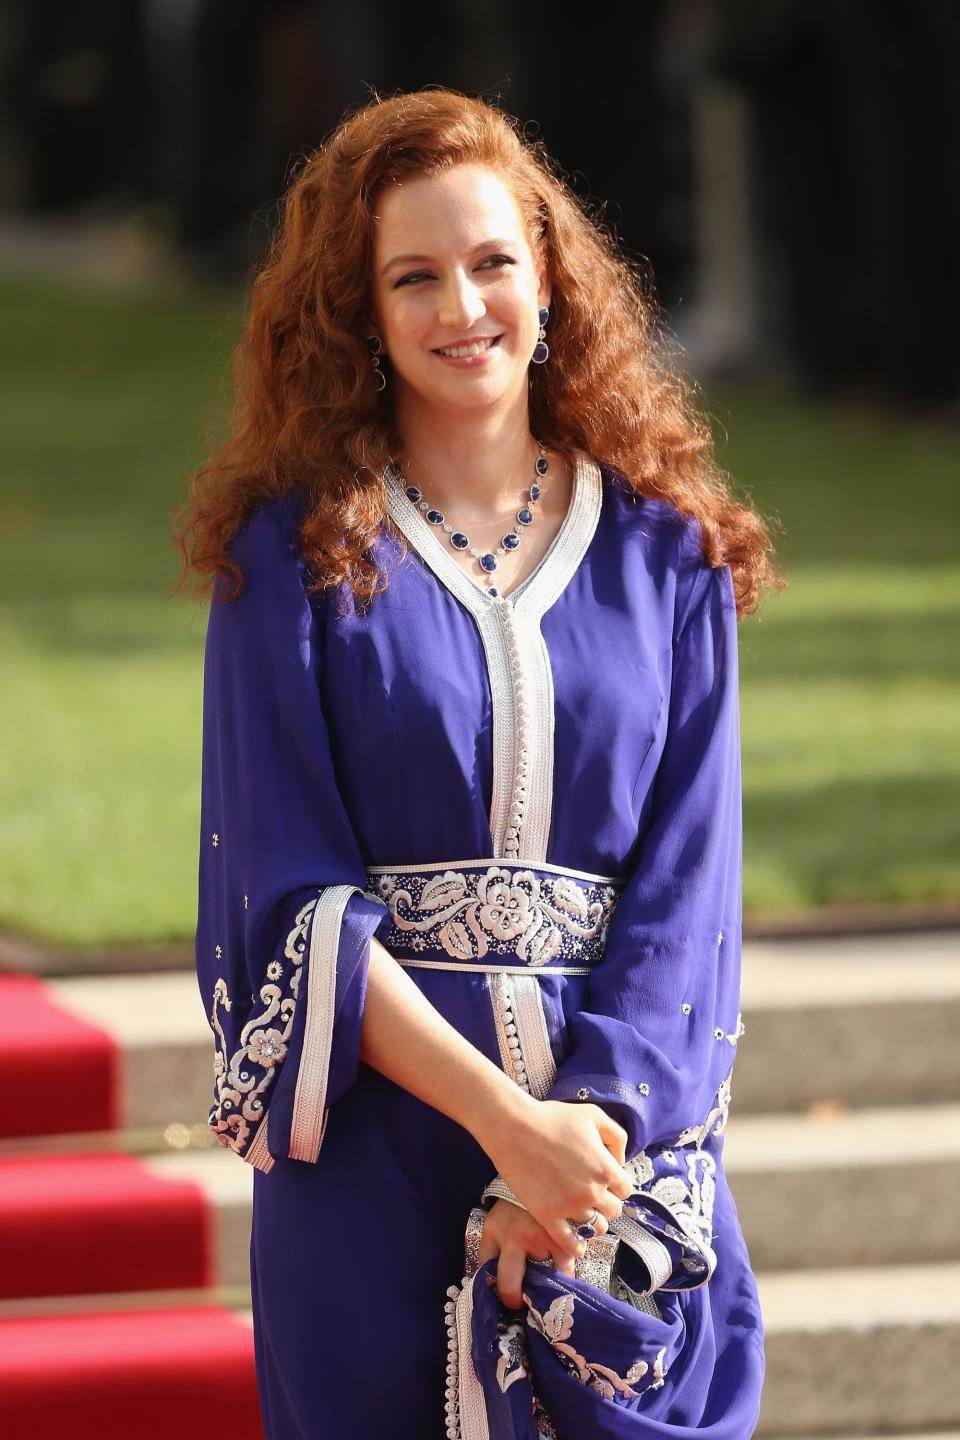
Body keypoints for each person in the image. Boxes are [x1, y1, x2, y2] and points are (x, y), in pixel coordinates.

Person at [178, 85, 784, 1440]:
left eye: (494, 261)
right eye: (416, 276)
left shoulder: (669, 559)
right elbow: (290, 891)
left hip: (611, 1167)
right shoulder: (289, 562)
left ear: (551, 279)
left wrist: (571, 1145)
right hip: (376, 1163)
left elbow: (689, 901)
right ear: (361, 313)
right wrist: (507, 1125)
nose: (465, 306)